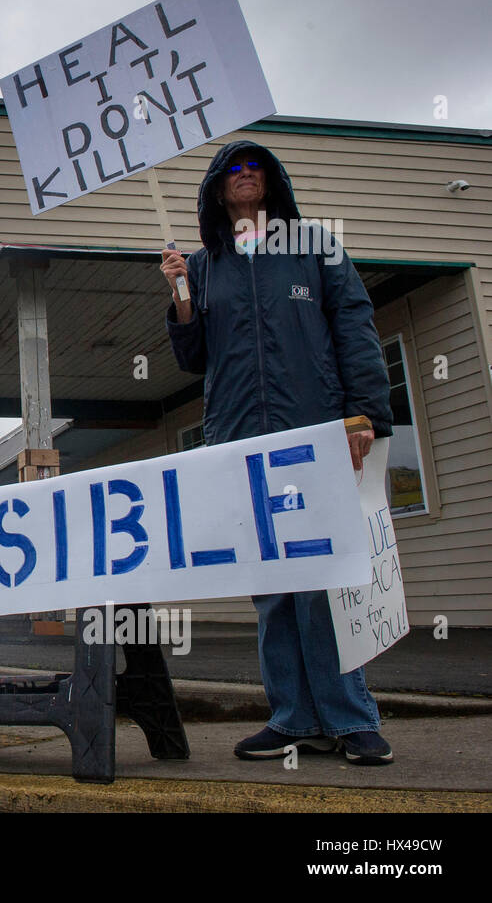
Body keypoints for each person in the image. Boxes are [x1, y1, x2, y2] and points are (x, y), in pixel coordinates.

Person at [162, 140, 395, 765]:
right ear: (216, 190)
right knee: (271, 584)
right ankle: (293, 718)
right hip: (240, 440)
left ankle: (349, 719)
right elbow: (194, 360)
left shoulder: (312, 248)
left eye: (253, 167)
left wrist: (362, 411)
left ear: (270, 182)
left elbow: (354, 323)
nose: (243, 175)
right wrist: (182, 299)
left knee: (321, 577)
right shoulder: (206, 266)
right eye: (231, 170)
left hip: (313, 433)